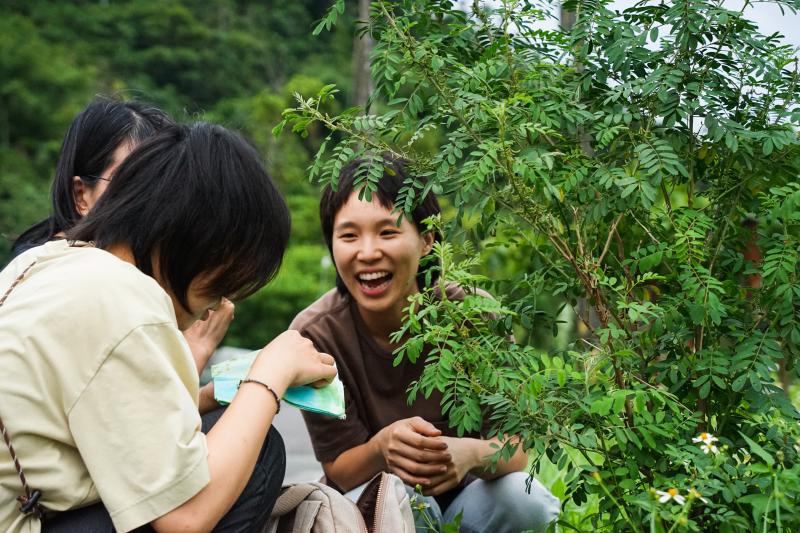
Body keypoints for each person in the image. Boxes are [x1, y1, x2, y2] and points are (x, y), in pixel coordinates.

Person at [0, 122, 337, 532]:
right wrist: (271, 375)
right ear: (199, 237)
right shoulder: (125, 299)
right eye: (227, 278)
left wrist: (215, 395)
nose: (219, 300)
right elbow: (183, 518)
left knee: (217, 432)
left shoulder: (47, 261)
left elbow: (106, 420)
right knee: (258, 453)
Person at [291, 157, 560, 532]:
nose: (367, 253)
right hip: (380, 504)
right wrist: (382, 447)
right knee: (395, 499)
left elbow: (516, 450)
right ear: (332, 244)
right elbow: (339, 468)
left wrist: (468, 454)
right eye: (349, 236)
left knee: (523, 499)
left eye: (387, 232)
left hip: (473, 501)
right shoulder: (316, 335)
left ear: (427, 240)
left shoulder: (473, 314)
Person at [9, 98, 233, 410]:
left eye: (166, 188)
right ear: (81, 194)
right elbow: (143, 429)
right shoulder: (78, 284)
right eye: (133, 185)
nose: (151, 204)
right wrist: (198, 348)